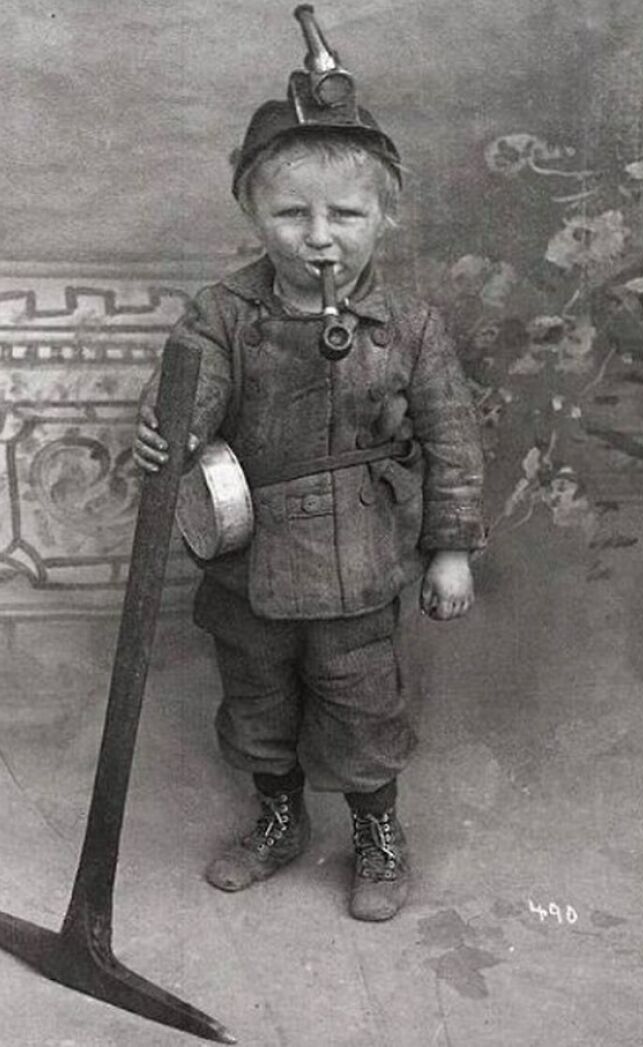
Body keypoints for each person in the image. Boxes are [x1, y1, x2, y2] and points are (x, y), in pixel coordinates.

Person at [132, 9, 485, 922]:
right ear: (253, 212)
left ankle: (376, 832)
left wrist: (451, 550)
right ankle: (279, 819)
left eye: (346, 214)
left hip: (358, 559)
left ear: (387, 216)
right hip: (247, 562)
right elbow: (191, 402)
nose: (318, 237)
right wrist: (163, 437)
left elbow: (452, 441)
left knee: (363, 705)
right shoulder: (222, 312)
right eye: (291, 213)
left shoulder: (411, 326)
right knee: (255, 703)